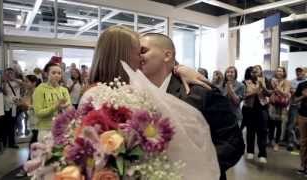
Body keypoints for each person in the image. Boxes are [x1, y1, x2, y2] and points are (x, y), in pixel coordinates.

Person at [83, 26, 220, 180]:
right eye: (138, 52)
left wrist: (178, 68)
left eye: (143, 52)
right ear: (123, 56)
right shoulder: (102, 94)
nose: (141, 58)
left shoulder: (136, 89)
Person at [139, 33, 244, 180]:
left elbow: (233, 144)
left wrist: (194, 168)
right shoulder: (137, 93)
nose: (138, 57)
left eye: (143, 51)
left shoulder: (200, 93)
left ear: (167, 55)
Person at [33, 62, 71, 138]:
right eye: (53, 73)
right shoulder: (39, 89)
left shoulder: (64, 90)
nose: (57, 75)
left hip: (62, 129)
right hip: (46, 130)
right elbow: (38, 113)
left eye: (59, 73)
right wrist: (55, 107)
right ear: (47, 74)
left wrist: (66, 109)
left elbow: (70, 109)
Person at [15, 75, 41, 178]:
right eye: (24, 81)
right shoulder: (27, 92)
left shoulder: (37, 92)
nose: (24, 83)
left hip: (39, 123)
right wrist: (21, 104)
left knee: (33, 145)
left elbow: (39, 108)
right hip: (32, 122)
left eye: (27, 81)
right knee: (36, 146)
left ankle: (26, 168)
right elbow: (27, 109)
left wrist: (27, 106)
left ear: (34, 83)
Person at [242, 66, 268, 163]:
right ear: (250, 73)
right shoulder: (245, 82)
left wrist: (263, 86)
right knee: (250, 131)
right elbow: (243, 96)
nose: (254, 73)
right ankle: (250, 151)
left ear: (259, 73)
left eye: (256, 72)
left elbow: (269, 93)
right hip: (249, 109)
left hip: (262, 108)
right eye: (252, 72)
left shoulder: (264, 80)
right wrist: (255, 92)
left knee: (262, 132)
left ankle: (262, 154)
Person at [268, 67, 291, 151]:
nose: (279, 72)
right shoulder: (272, 81)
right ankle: (271, 140)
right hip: (273, 105)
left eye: (281, 71)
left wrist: (277, 87)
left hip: (281, 106)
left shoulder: (287, 82)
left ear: (284, 73)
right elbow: (269, 92)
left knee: (278, 126)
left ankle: (277, 143)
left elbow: (285, 94)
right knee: (271, 125)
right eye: (277, 71)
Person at [285, 67, 306, 151]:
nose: (298, 73)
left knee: (301, 126)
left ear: (305, 72)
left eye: (300, 71)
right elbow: (292, 95)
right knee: (291, 125)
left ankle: (299, 142)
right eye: (297, 71)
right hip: (294, 105)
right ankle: (292, 142)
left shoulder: (305, 82)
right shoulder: (292, 81)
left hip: (304, 107)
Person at [2, 68, 22, 149]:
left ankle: (12, 142)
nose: (9, 75)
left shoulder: (18, 81)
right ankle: (5, 143)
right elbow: (5, 92)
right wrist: (4, 82)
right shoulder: (5, 83)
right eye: (8, 73)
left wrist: (13, 79)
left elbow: (23, 84)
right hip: (6, 106)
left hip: (14, 106)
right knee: (6, 125)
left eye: (11, 73)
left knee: (13, 125)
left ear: (14, 73)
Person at [295, 79, 307, 175]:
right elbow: (294, 100)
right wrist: (303, 96)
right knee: (303, 142)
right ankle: (304, 166)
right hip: (303, 116)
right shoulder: (302, 85)